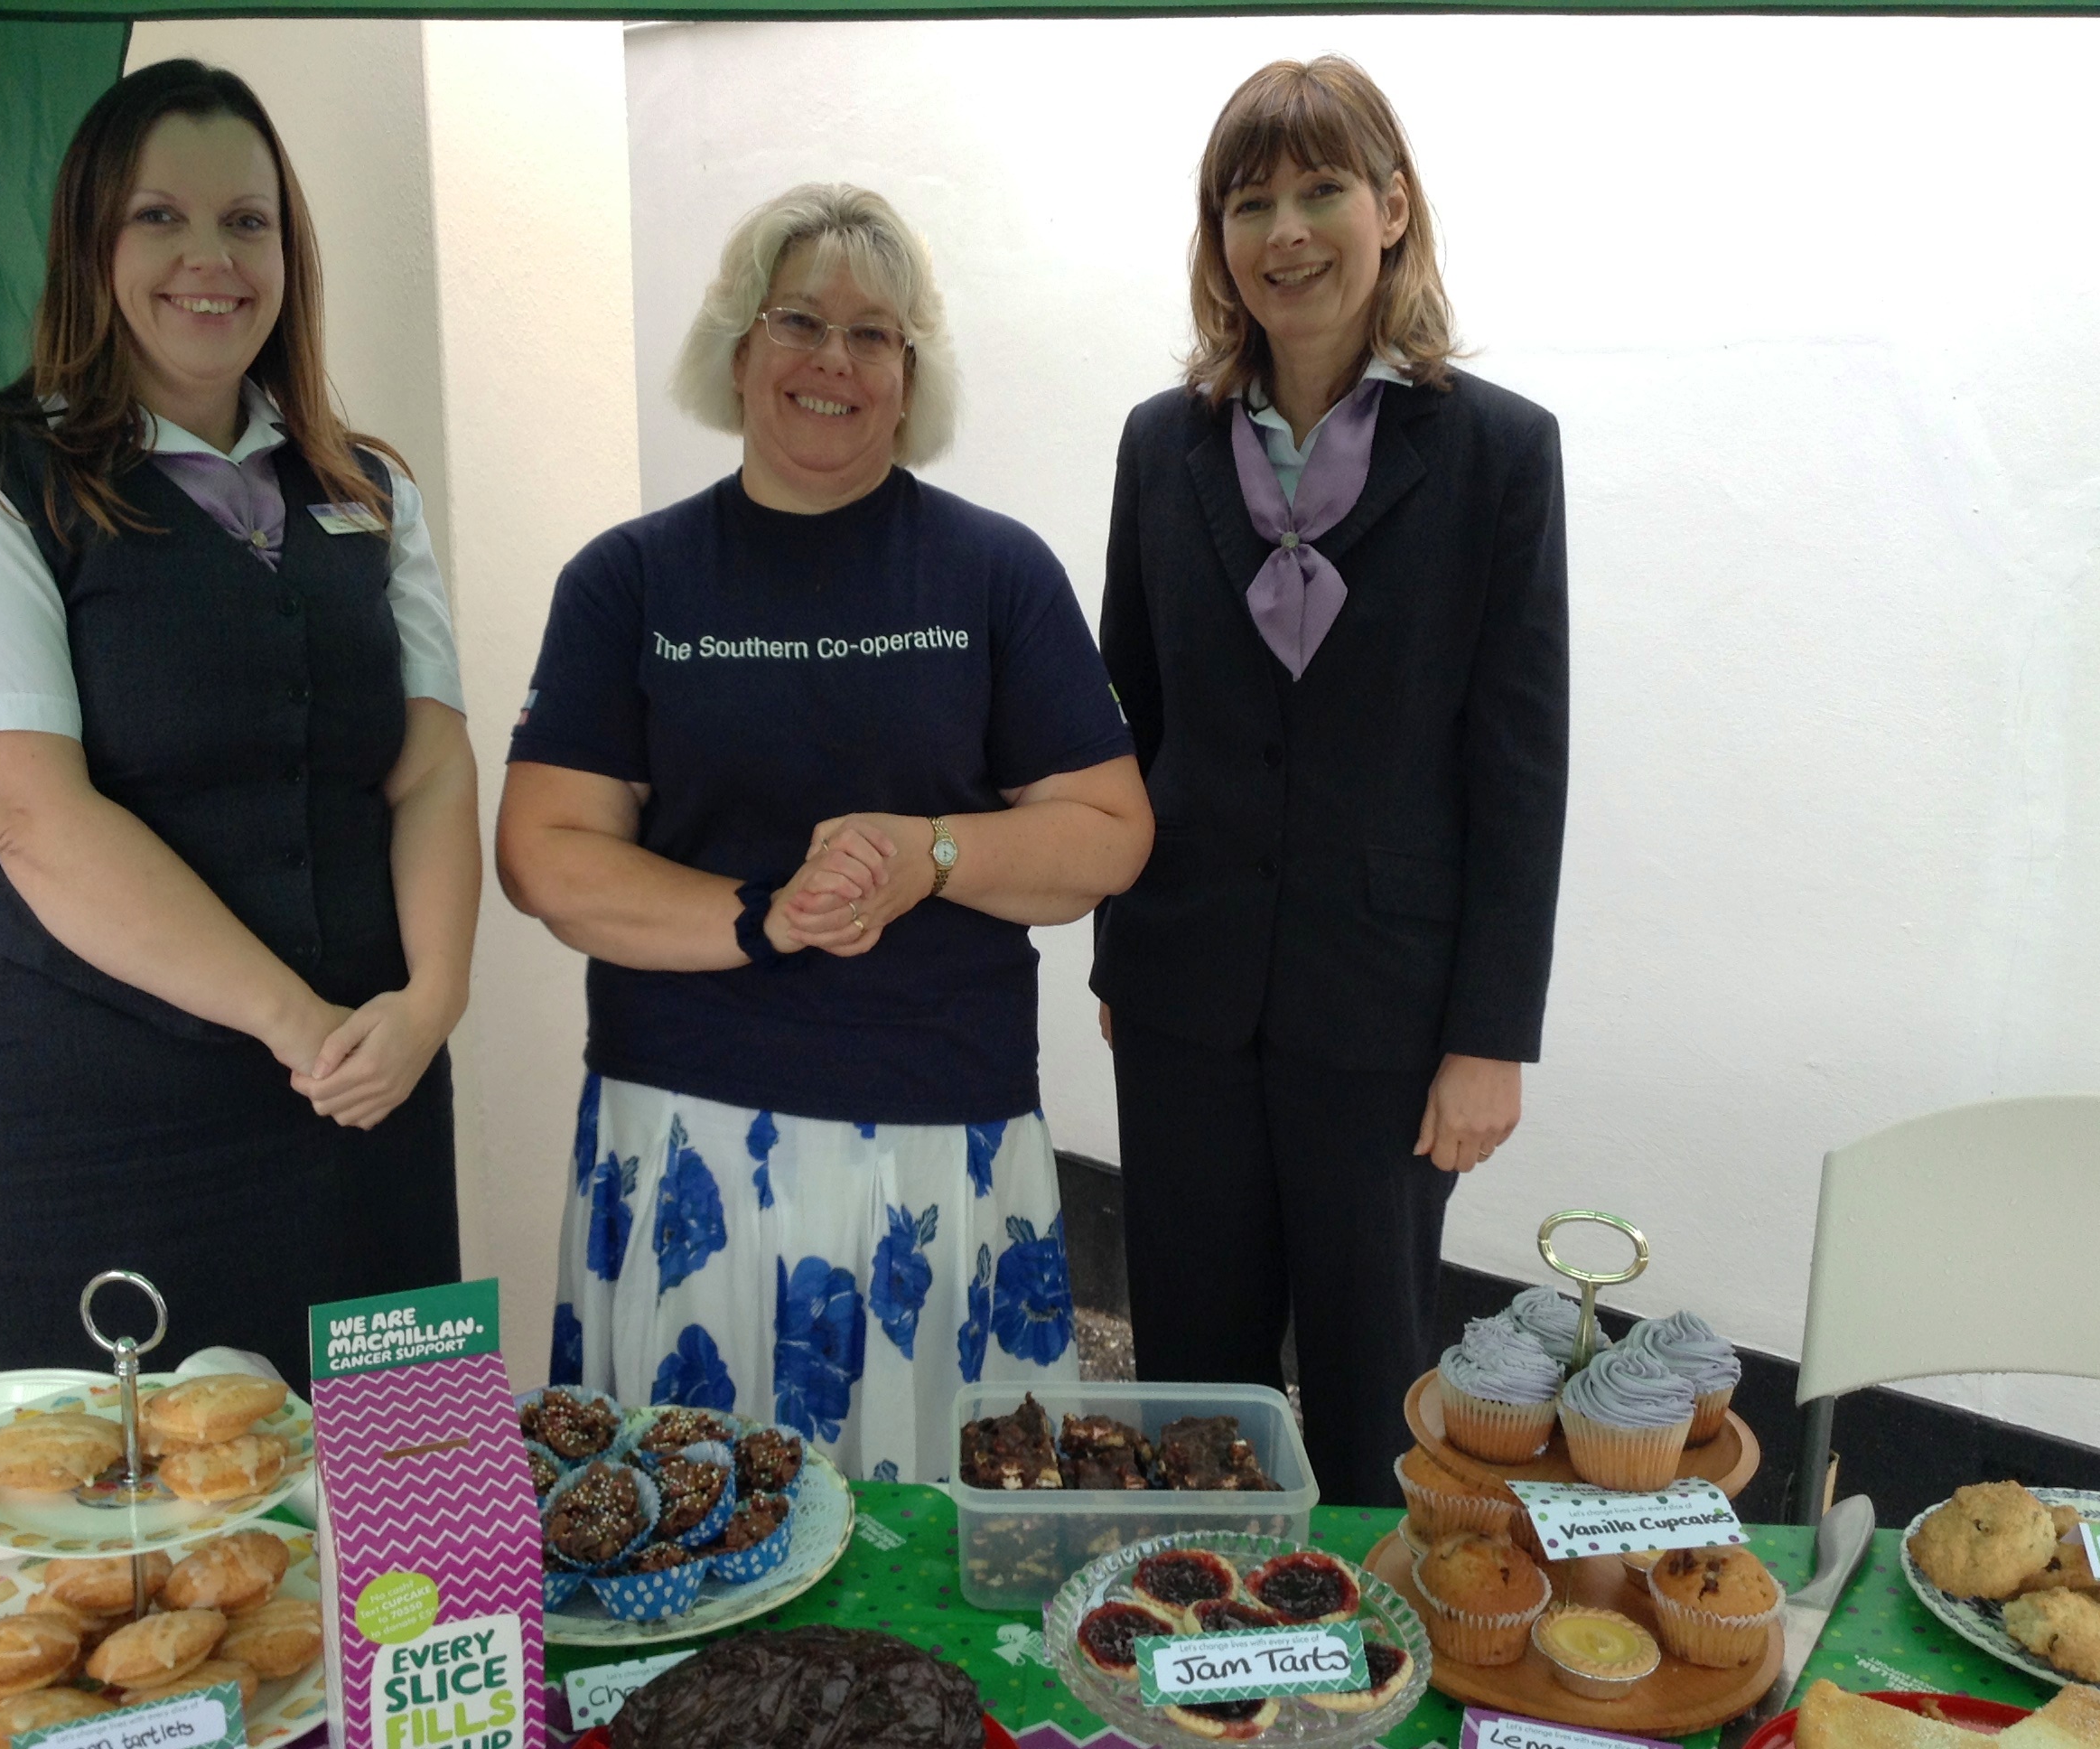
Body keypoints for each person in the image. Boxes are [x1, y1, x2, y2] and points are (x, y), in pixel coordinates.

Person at [498, 184, 1151, 1483]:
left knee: (937, 1560)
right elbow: (547, 854)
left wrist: (935, 855)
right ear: (738, 349)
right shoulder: (628, 581)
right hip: (687, 1136)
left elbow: (1108, 832)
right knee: (696, 1535)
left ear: (911, 376)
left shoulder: (993, 574)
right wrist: (761, 918)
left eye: (875, 334)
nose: (833, 361)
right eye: (799, 320)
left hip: (938, 1139)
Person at [0, 60, 479, 1387]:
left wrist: (432, 1001)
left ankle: (413, 1606)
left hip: (364, 1098)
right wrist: (293, 1020)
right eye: (160, 216)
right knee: (129, 1545)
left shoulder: (367, 488)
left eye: (247, 221)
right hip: (104, 1125)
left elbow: (429, 765)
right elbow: (26, 811)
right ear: (92, 240)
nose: (210, 258)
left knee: (408, 1551)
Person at [1091, 57, 1570, 1505]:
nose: (1286, 231)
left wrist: (1494, 1036)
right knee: (1193, 1370)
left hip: (1391, 1002)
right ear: (1216, 238)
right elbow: (1132, 712)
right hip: (1185, 985)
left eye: (1319, 191)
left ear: (1393, 208)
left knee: (1372, 1384)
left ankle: (1361, 1676)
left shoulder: (1498, 452)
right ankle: (1192, 1649)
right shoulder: (1160, 445)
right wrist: (1122, 944)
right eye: (1249, 203)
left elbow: (1520, 760)